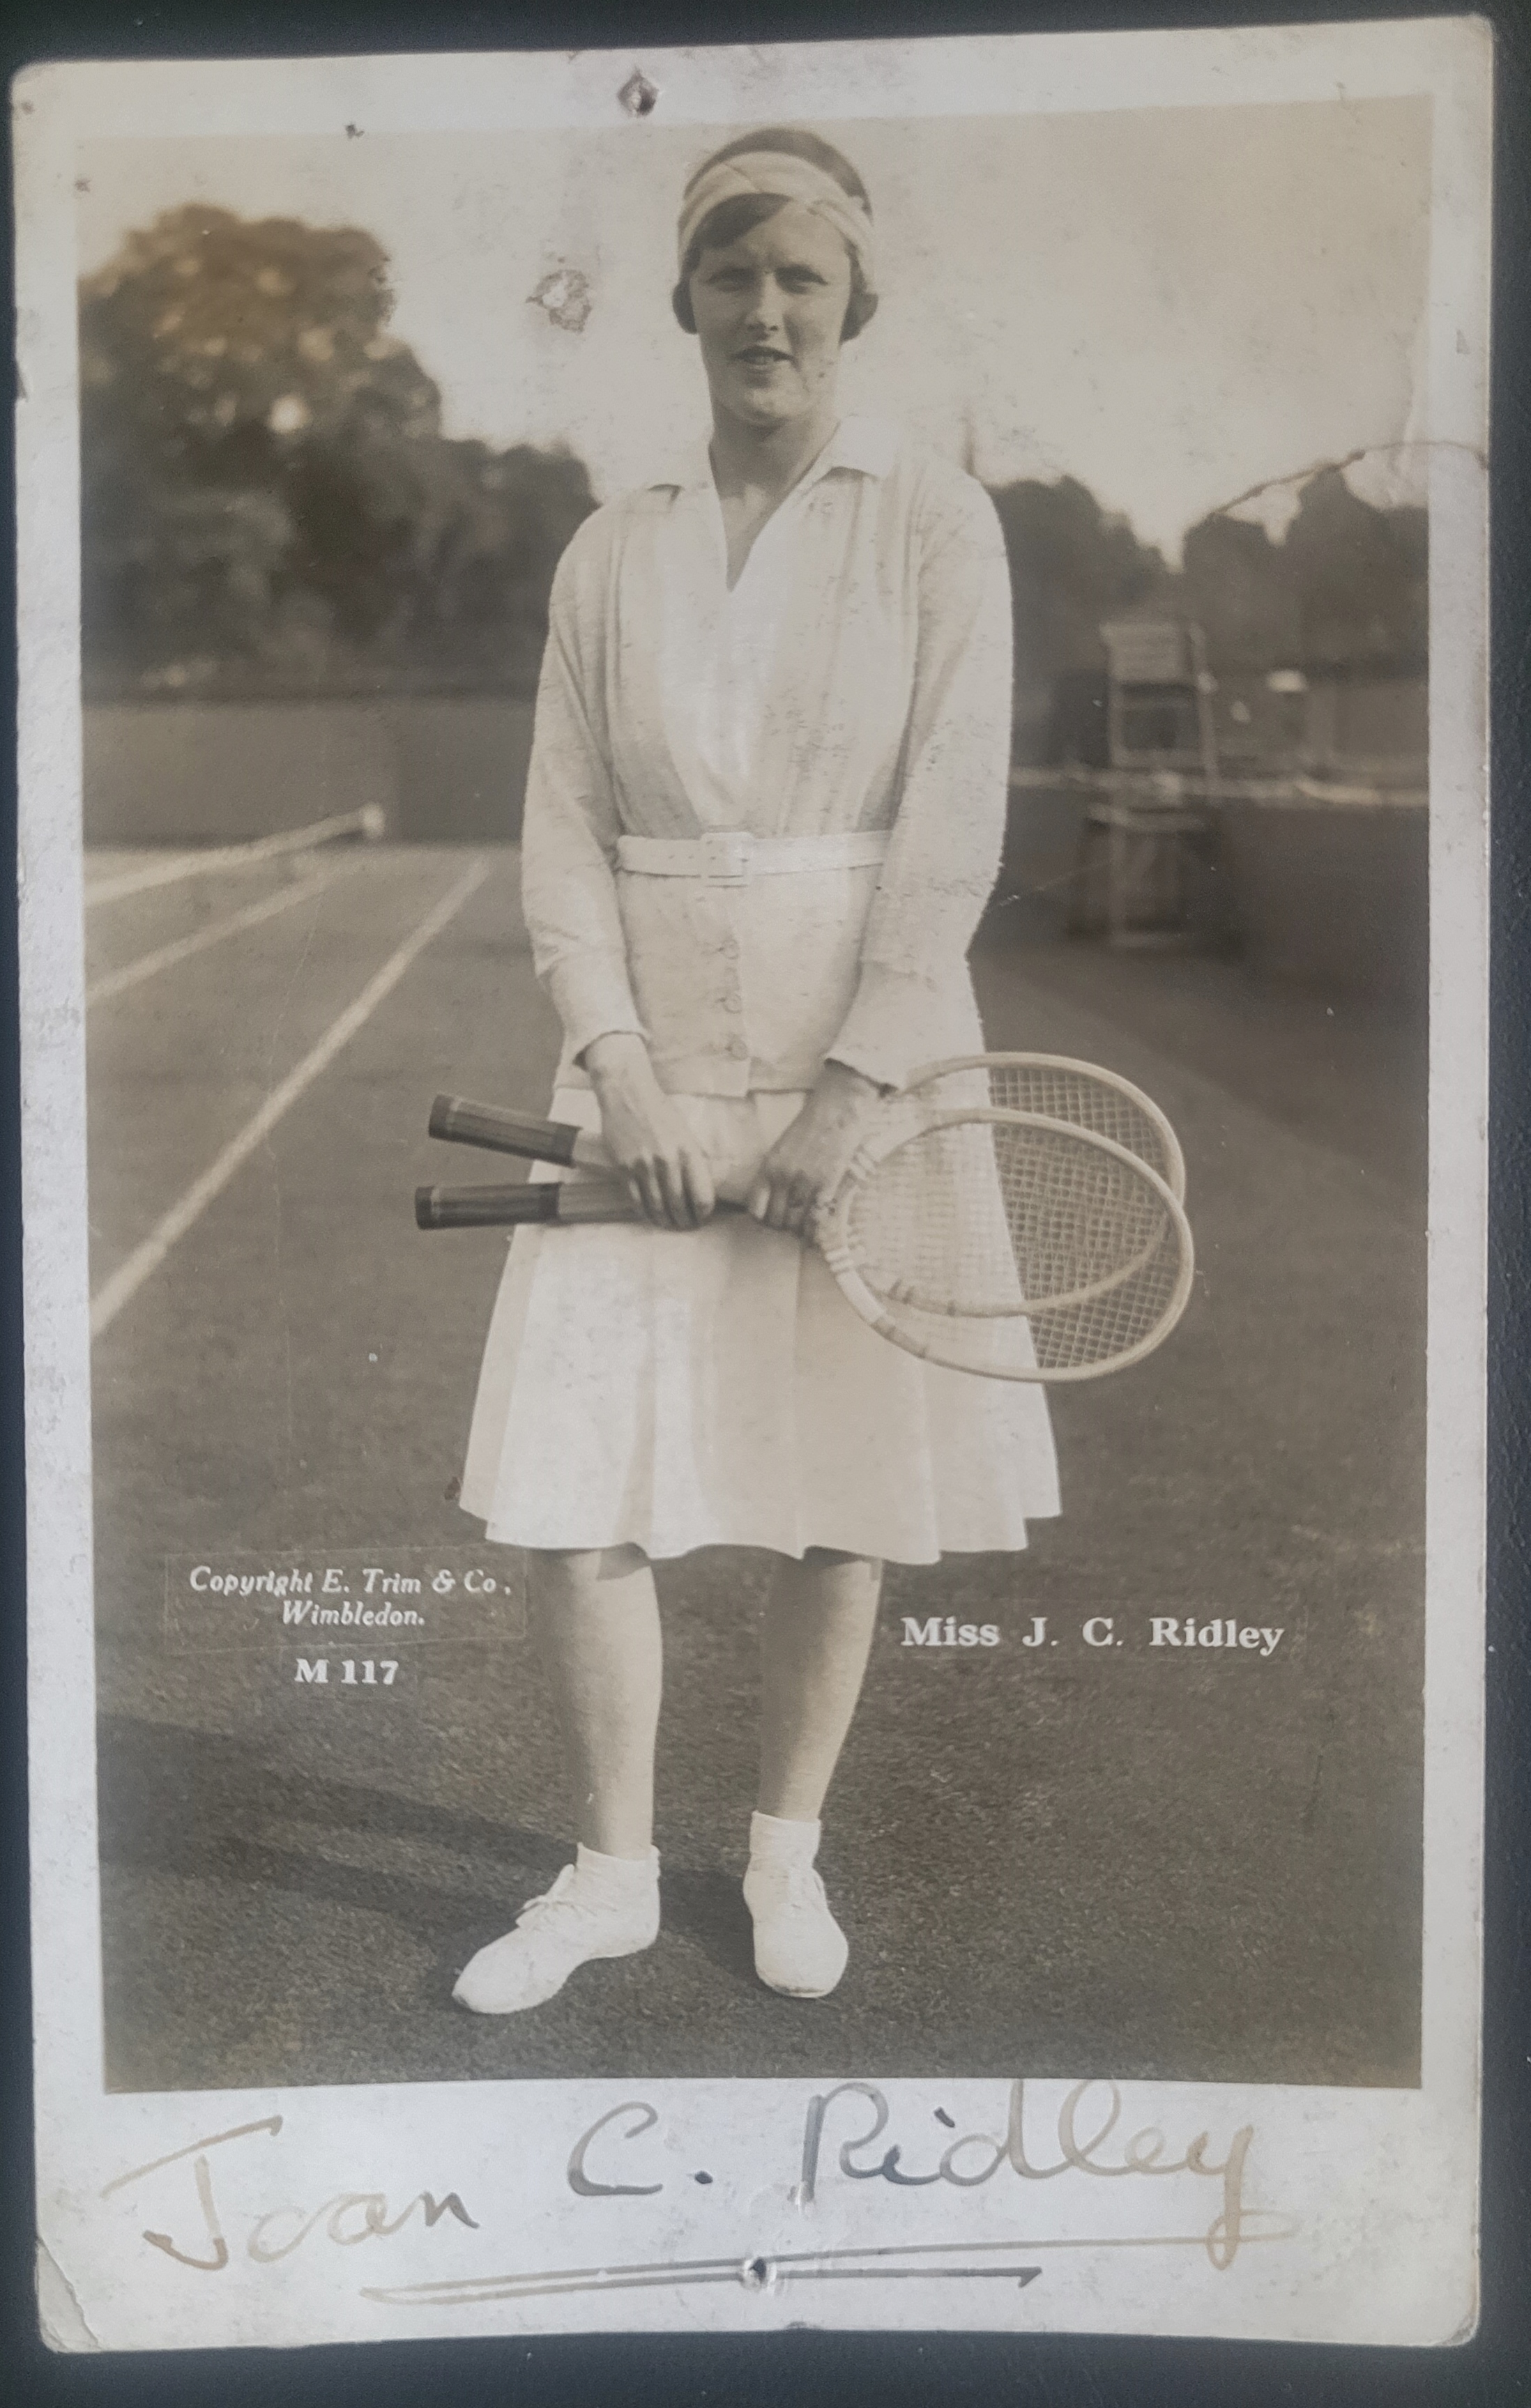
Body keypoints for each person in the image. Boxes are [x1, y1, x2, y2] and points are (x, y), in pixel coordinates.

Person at [453, 127, 1060, 2015]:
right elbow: (560, 832)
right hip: (641, 1057)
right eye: (733, 274)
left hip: (860, 1068)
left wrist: (849, 1095)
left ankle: (779, 1858)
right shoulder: (608, 542)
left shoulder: (934, 521)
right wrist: (618, 1072)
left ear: (851, 300)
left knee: (847, 1498)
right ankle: (610, 1873)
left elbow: (948, 828)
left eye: (800, 276)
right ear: (686, 302)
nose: (765, 308)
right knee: (566, 1502)